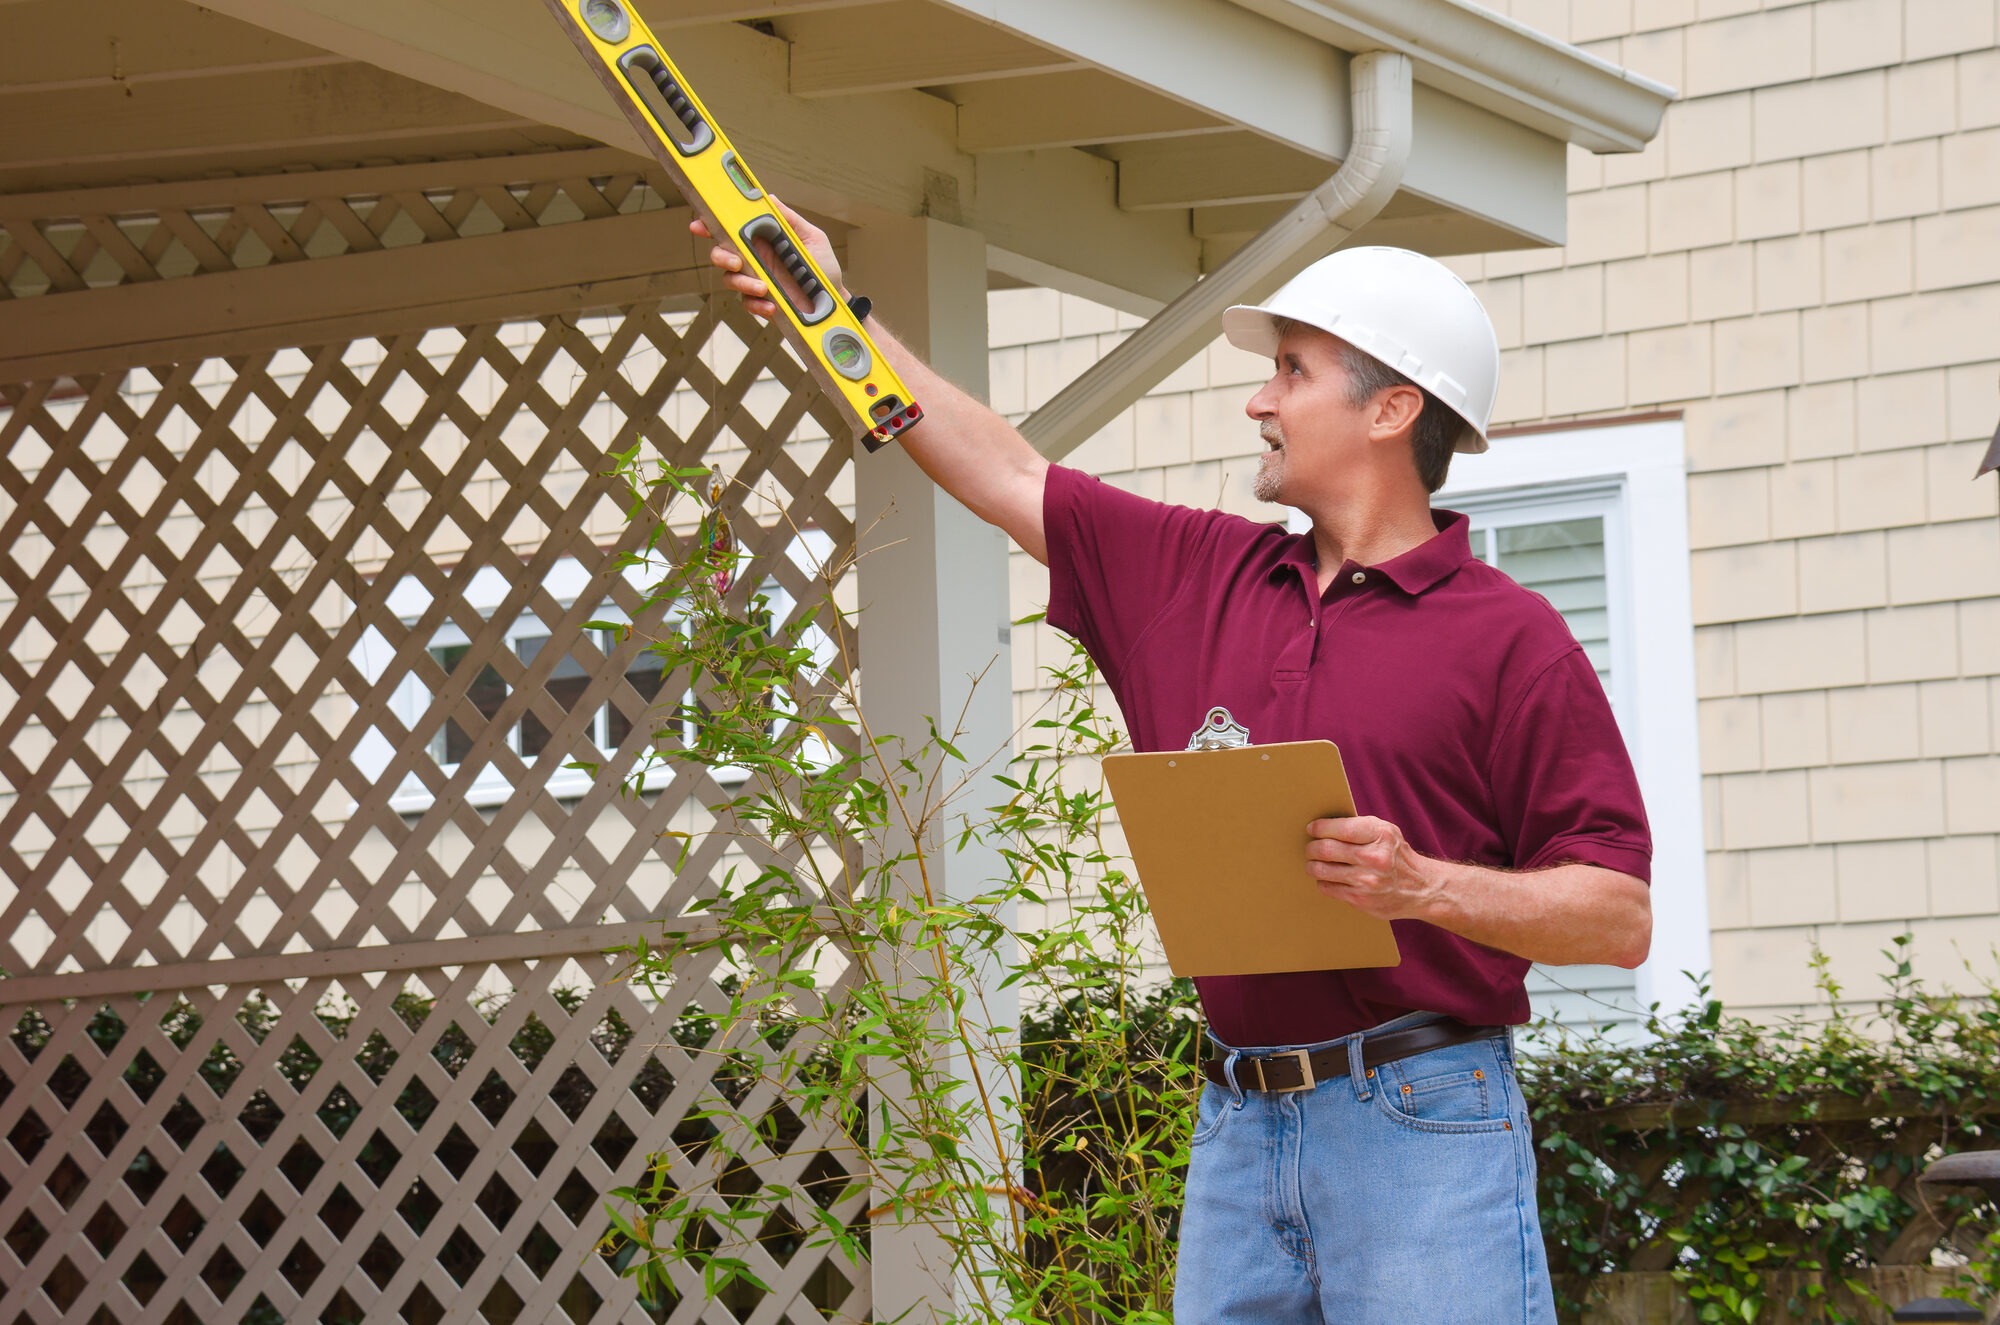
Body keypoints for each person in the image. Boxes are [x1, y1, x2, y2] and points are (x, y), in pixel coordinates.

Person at [695, 202, 1653, 1324]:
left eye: (1290, 371)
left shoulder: (1508, 636)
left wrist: (1420, 884)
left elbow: (1615, 914)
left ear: (1390, 407)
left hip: (1424, 1116)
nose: (1258, 398)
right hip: (1237, 1120)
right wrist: (830, 314)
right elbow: (999, 469)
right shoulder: (1193, 575)